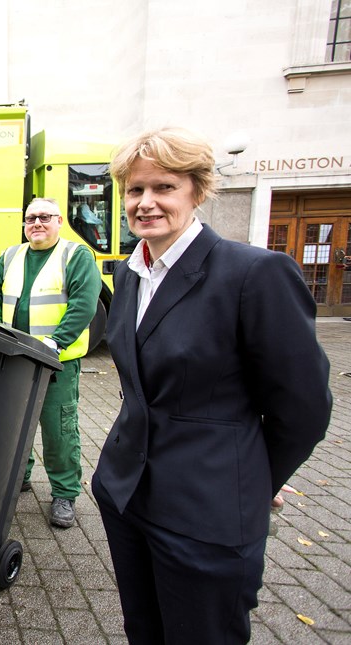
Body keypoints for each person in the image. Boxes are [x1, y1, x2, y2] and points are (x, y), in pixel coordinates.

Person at [92, 127, 332, 644]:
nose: (146, 203)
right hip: (126, 497)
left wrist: (252, 477)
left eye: (164, 188)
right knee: (146, 631)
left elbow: (305, 407)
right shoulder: (129, 274)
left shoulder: (254, 273)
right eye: (135, 190)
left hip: (206, 513)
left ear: (197, 191)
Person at [0, 197, 101, 528]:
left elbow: (83, 304)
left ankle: (64, 494)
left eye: (44, 217)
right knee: (13, 425)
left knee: (58, 430)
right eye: (30, 218)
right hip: (15, 357)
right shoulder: (11, 256)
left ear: (59, 220)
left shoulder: (75, 256)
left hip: (55, 362)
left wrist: (55, 342)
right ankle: (19, 477)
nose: (36, 223)